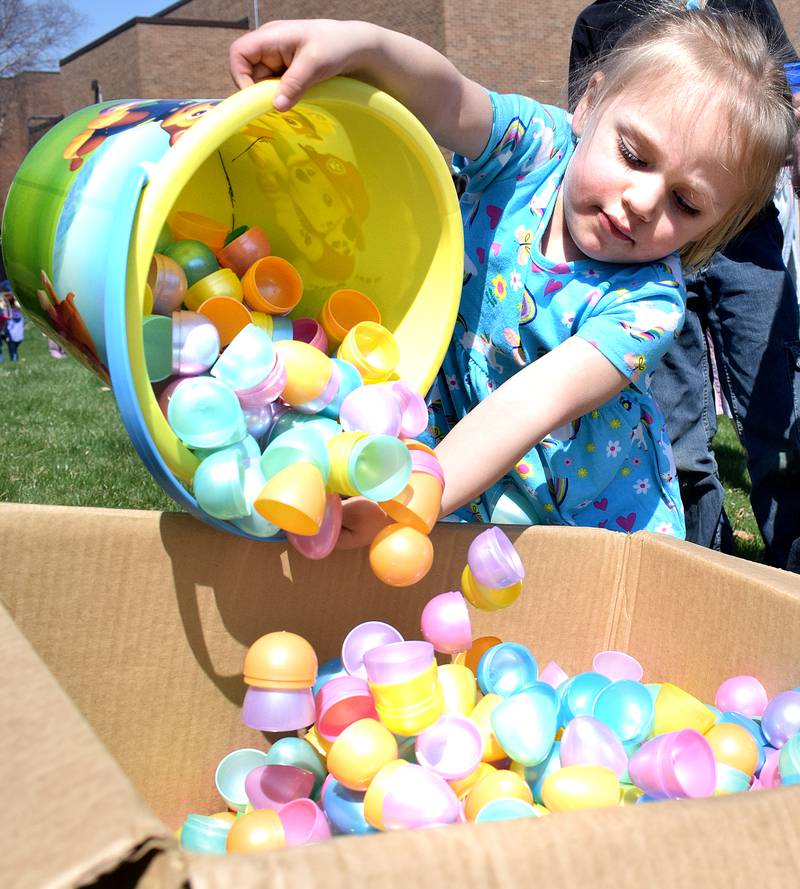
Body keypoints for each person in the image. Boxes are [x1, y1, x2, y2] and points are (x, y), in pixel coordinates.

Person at [228, 8, 796, 549]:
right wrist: (361, 45)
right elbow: (448, 97)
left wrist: (411, 496)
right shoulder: (533, 149)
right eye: (633, 154)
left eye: (687, 203)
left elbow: (530, 405)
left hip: (581, 514)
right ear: (589, 105)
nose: (643, 202)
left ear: (714, 226)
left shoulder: (647, 305)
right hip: (459, 459)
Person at [569, 0, 800, 571]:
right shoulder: (604, 18)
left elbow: (786, 97)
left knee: (780, 417)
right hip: (645, 259)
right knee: (676, 443)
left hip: (747, 241)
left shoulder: (745, 6)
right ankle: (699, 578)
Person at [5, 296, 24, 362]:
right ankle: (16, 360)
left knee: (12, 351)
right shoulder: (19, 311)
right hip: (19, 336)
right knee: (15, 350)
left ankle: (14, 361)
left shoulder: (8, 313)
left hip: (11, 336)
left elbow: (8, 326)